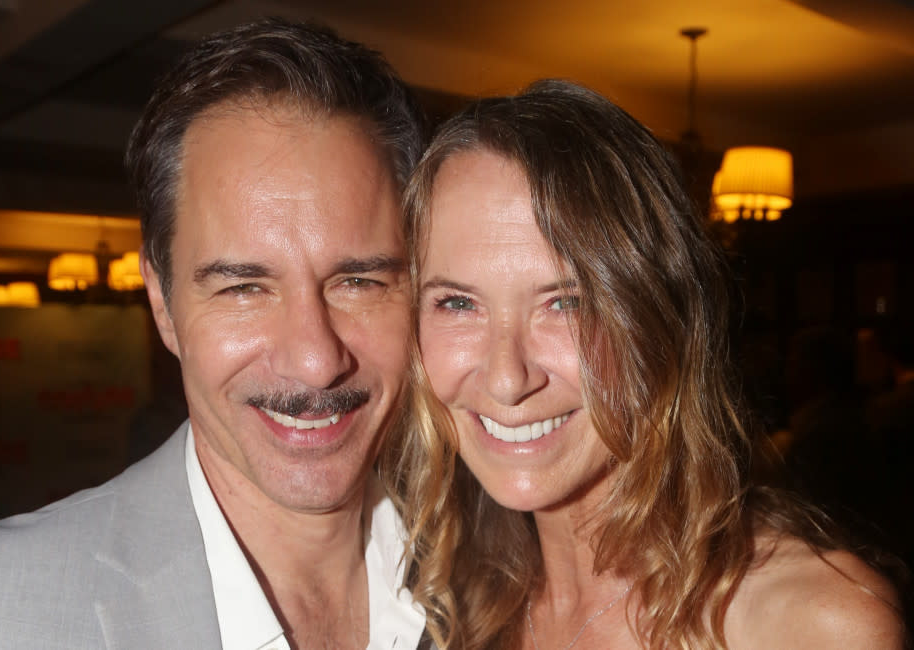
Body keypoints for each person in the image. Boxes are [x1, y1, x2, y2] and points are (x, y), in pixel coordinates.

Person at [0, 18, 428, 648]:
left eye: (359, 282)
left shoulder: (496, 579)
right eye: (244, 287)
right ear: (162, 302)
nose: (316, 361)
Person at [382, 79, 906, 649]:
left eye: (568, 303)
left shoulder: (810, 625)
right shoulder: (442, 595)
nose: (507, 378)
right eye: (457, 303)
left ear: (661, 322)